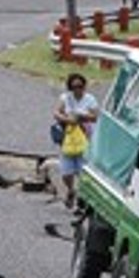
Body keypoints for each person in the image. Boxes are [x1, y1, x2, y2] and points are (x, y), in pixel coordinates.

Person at [53, 73, 99, 209]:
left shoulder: (90, 99)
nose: (77, 89)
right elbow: (56, 112)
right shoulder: (65, 98)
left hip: (85, 140)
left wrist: (81, 117)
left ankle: (83, 199)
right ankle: (71, 190)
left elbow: (96, 116)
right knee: (66, 172)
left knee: (82, 171)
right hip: (69, 139)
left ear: (84, 86)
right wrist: (67, 120)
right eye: (74, 87)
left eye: (79, 86)